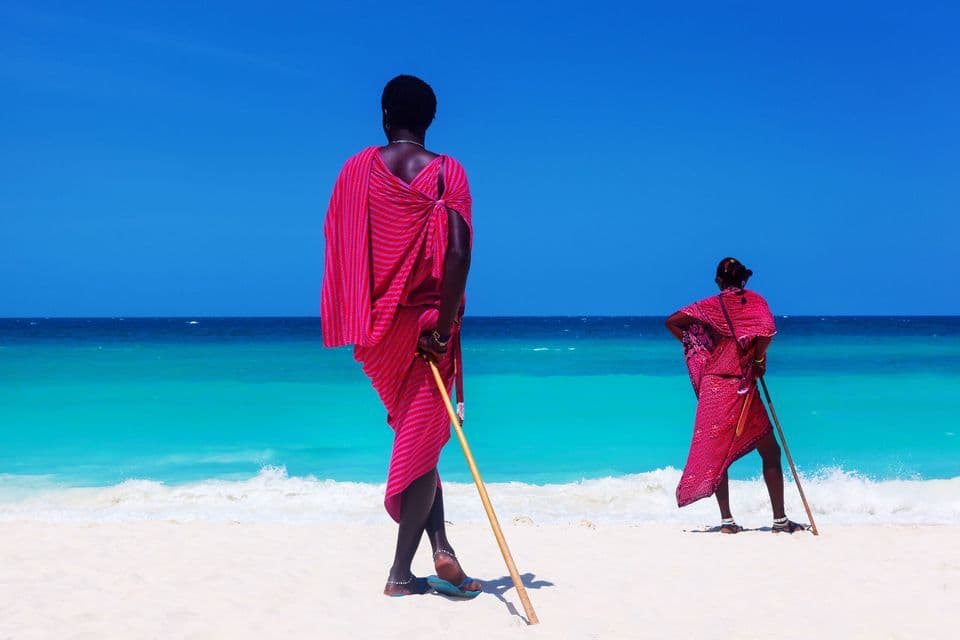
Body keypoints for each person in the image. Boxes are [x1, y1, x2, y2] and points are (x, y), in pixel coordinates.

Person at [321, 75, 482, 596]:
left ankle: (442, 549)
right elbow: (459, 253)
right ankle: (399, 574)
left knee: (420, 440)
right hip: (430, 325)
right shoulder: (446, 172)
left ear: (384, 116)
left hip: (379, 332)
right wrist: (442, 324)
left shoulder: (355, 171)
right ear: (430, 119)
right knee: (422, 443)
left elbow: (341, 241)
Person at [665, 258, 807, 533]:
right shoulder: (754, 301)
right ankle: (779, 521)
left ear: (719, 281)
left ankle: (727, 522)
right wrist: (756, 357)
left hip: (714, 387)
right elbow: (767, 331)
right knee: (770, 450)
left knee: (718, 454)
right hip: (741, 384)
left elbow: (673, 322)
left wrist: (701, 347)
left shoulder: (708, 307)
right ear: (744, 280)